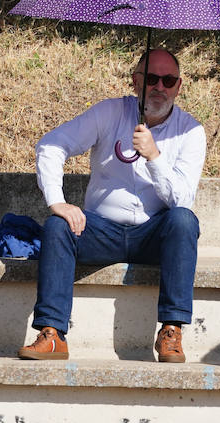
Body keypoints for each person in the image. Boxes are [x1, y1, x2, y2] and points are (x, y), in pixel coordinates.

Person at [18, 48, 206, 362]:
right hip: (100, 230)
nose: (160, 87)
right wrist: (57, 201)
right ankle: (52, 334)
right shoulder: (109, 113)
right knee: (57, 226)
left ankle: (171, 331)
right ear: (136, 81)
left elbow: (181, 201)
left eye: (169, 80)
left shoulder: (191, 131)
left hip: (154, 235)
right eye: (152, 78)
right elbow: (51, 144)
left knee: (184, 221)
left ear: (179, 86)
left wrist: (154, 157)